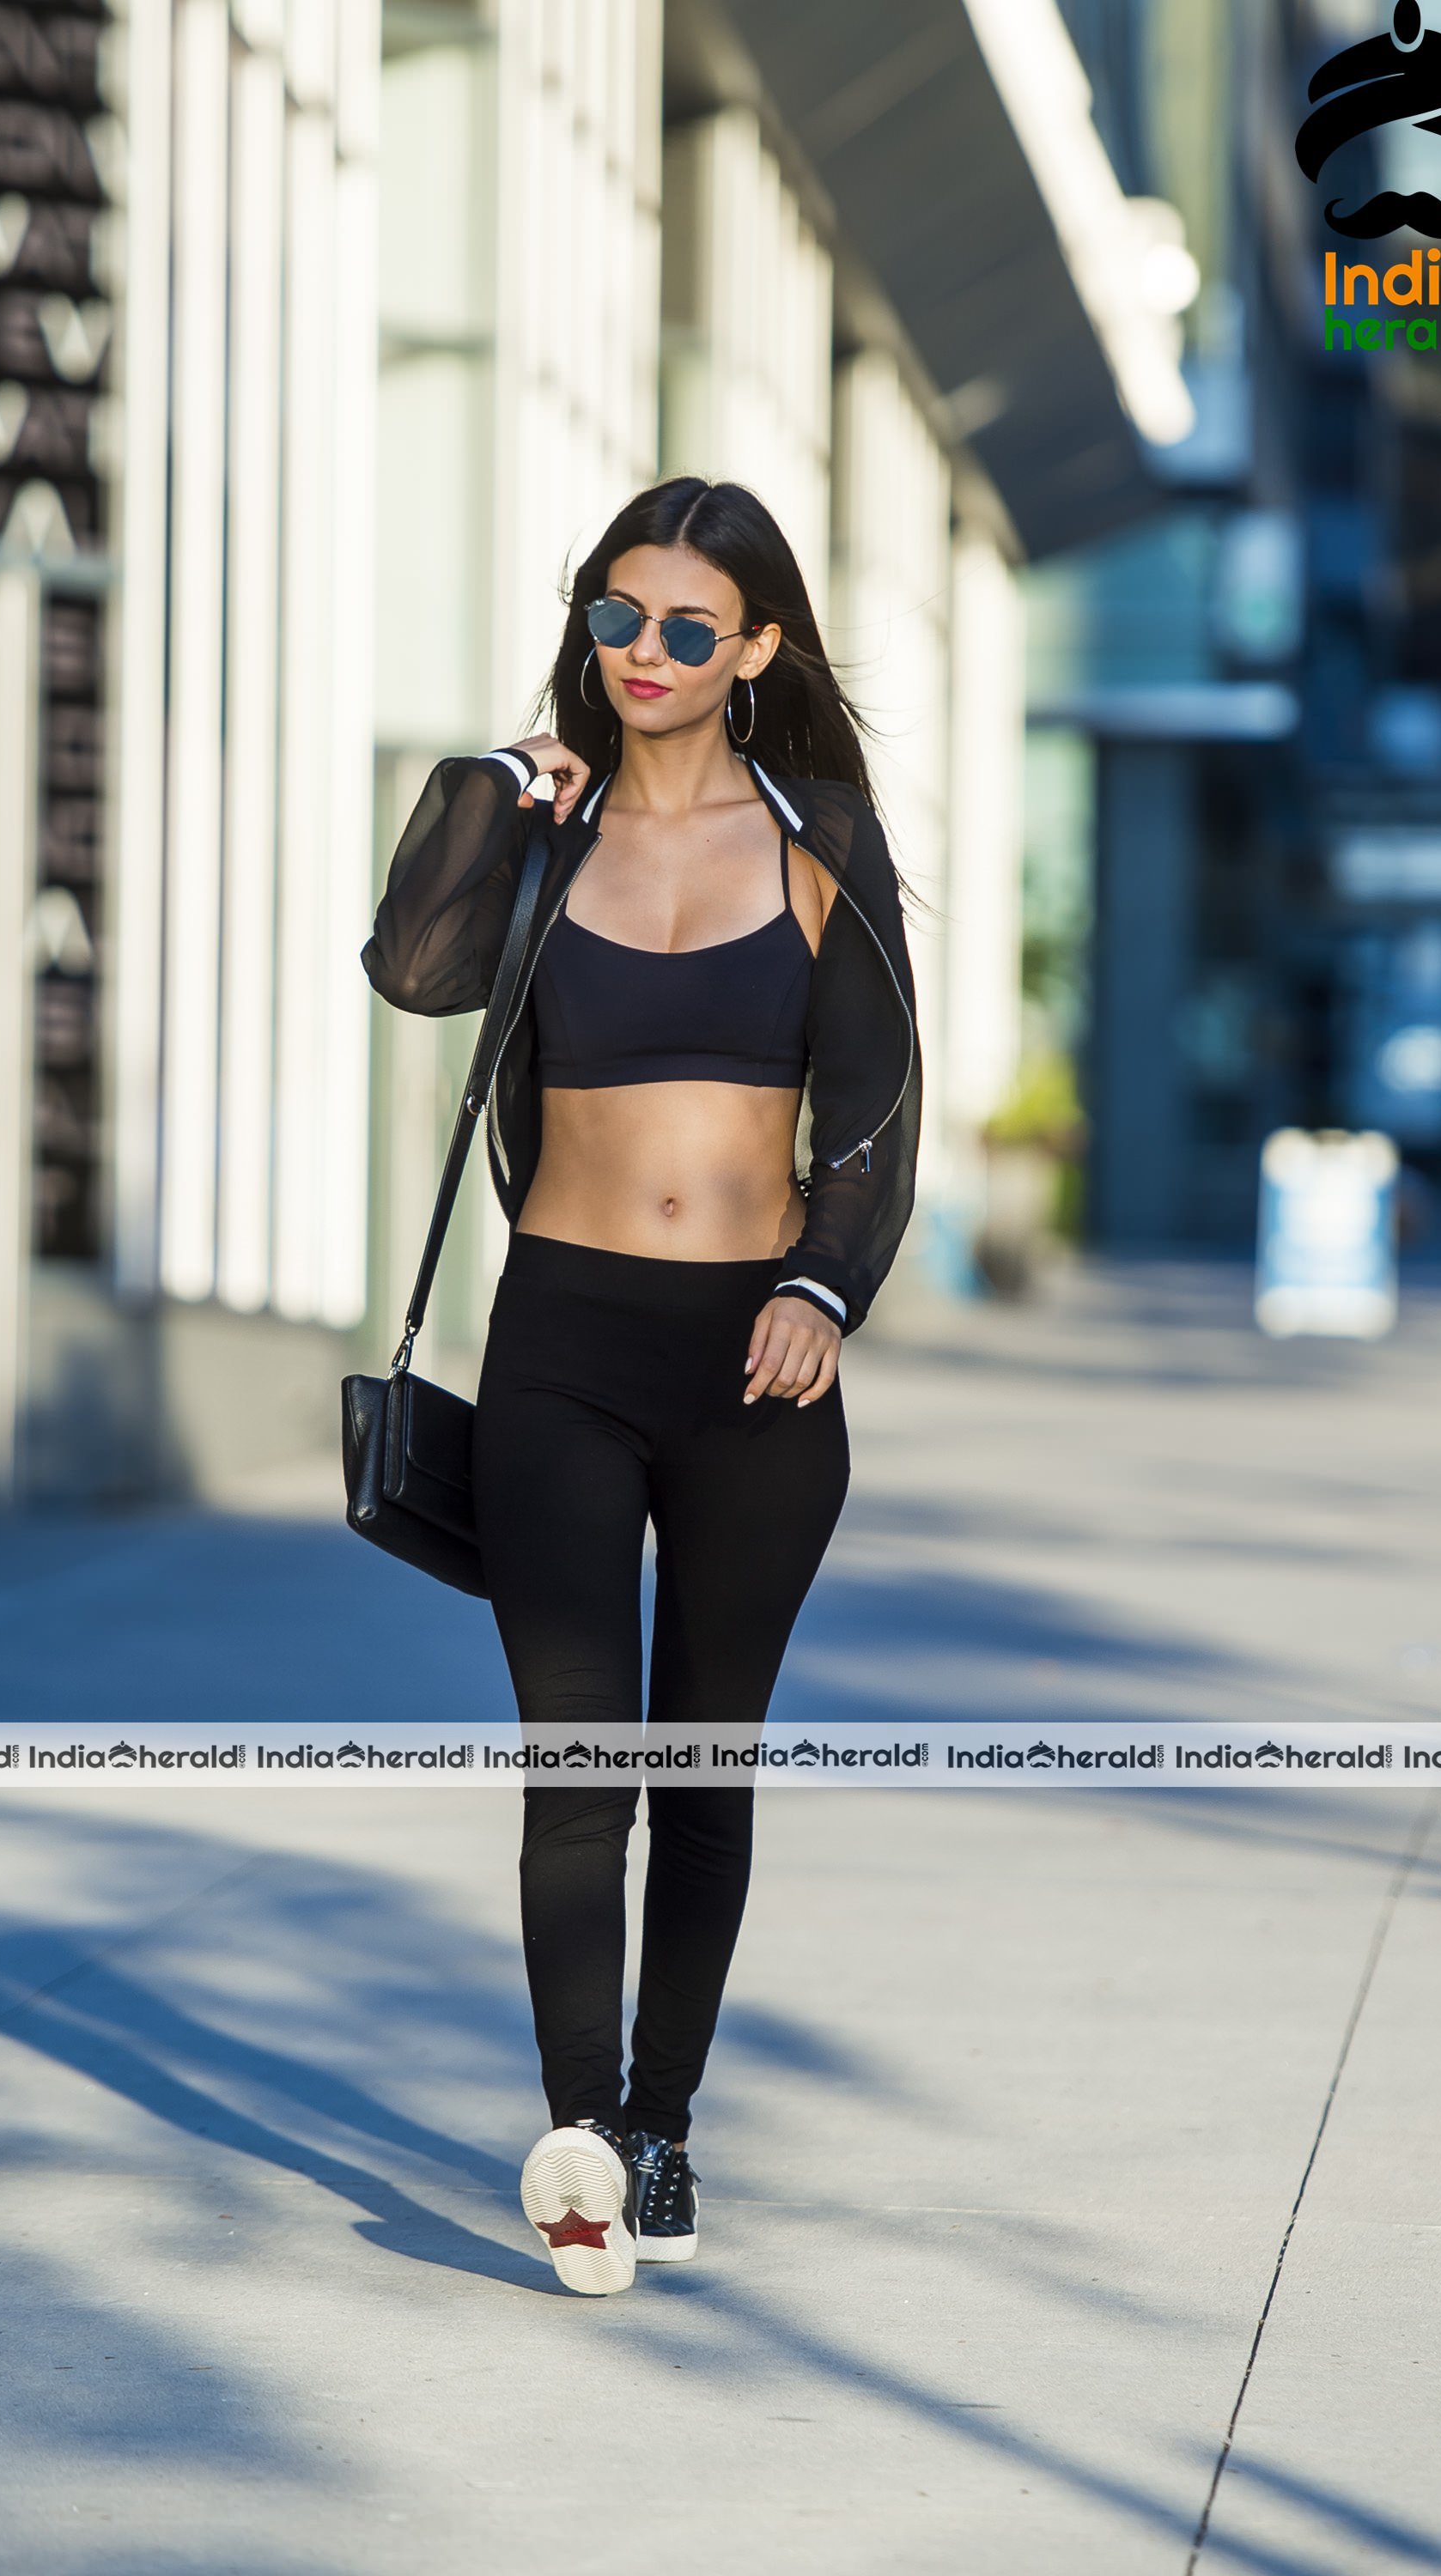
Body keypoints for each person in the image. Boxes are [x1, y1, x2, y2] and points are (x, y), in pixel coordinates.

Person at [363, 476, 920, 2294]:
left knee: (702, 1763)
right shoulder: (538, 829)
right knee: (575, 1761)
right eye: (618, 618)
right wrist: (476, 794)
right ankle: (582, 2139)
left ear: (755, 649)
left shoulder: (818, 833)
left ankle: (665, 2117)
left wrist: (828, 1284)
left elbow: (880, 1109)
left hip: (756, 1361)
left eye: (689, 628)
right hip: (565, 1350)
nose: (647, 656)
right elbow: (414, 972)